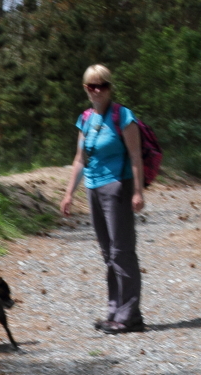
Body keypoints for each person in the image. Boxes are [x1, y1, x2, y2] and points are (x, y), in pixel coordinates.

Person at [60, 64, 146, 334]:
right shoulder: (85, 118)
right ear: (85, 89)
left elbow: (135, 156)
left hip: (117, 187)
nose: (97, 91)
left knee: (122, 252)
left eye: (102, 85)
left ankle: (129, 316)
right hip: (93, 188)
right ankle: (115, 310)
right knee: (108, 254)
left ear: (110, 87)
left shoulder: (123, 116)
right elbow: (79, 159)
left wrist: (138, 191)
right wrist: (69, 193)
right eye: (91, 86)